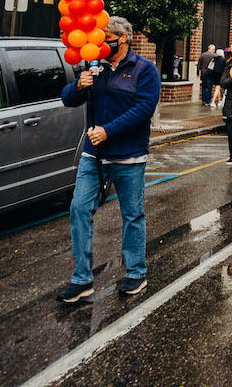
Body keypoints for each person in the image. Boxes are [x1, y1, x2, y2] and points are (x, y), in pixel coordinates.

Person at [57, 16, 161, 303]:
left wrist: (108, 130)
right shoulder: (94, 66)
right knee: (79, 209)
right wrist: (79, 84)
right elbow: (67, 99)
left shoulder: (144, 69)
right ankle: (82, 279)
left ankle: (136, 273)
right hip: (94, 156)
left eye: (107, 37)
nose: (102, 42)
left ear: (124, 38)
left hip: (129, 157)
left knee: (132, 215)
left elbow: (143, 109)